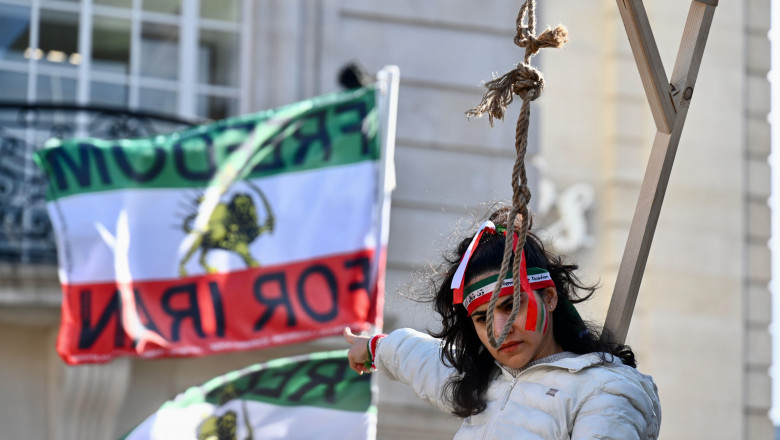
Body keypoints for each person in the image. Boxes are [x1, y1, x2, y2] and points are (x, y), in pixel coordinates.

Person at [344, 206, 661, 439]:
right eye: (482, 317)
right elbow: (420, 358)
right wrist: (373, 347)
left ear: (549, 297)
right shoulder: (484, 379)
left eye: (511, 305)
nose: (499, 330)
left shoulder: (607, 389)